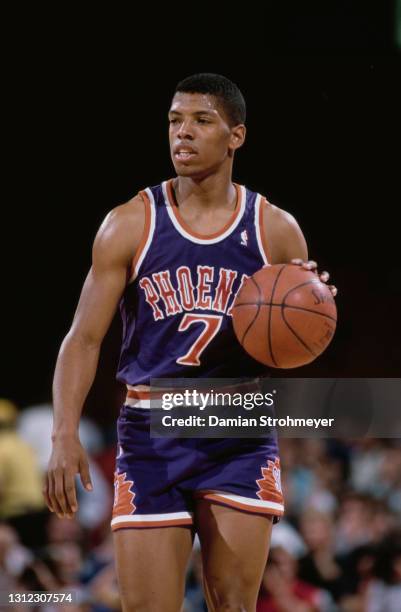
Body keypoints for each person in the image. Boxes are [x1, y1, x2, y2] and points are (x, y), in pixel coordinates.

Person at [43, 73, 337, 611]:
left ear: (236, 136)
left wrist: (314, 307)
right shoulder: (129, 224)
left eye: (201, 121)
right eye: (175, 121)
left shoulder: (275, 229)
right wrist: (64, 431)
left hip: (236, 429)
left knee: (233, 605)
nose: (183, 133)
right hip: (152, 429)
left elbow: (300, 342)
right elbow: (82, 340)